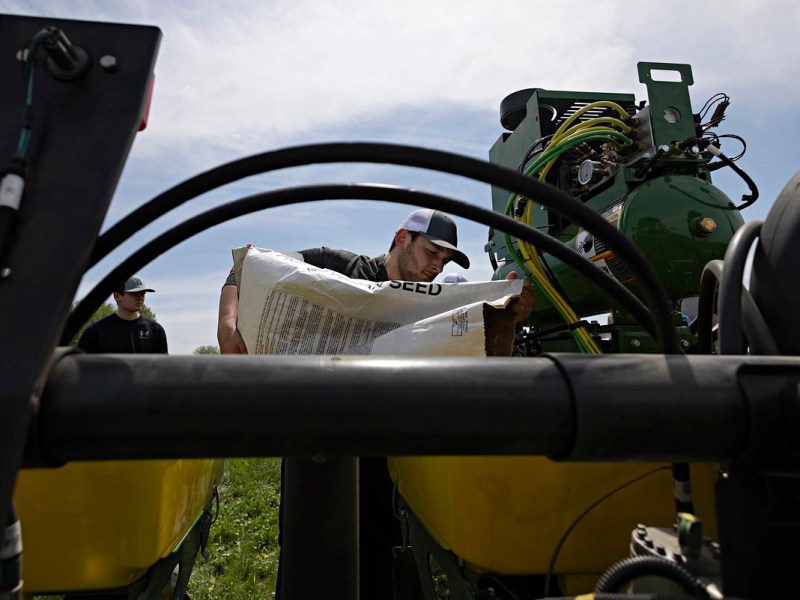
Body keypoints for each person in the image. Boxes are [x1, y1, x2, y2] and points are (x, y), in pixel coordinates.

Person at [216, 208, 533, 597]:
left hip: (392, 465)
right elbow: (246, 266)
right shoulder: (340, 265)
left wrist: (507, 316)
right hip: (319, 455)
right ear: (402, 238)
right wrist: (228, 323)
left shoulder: (436, 301)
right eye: (431, 253)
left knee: (382, 571)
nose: (437, 266)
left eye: (445, 260)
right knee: (309, 568)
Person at [77, 275, 168, 354]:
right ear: (117, 296)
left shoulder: (155, 330)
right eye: (134, 293)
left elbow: (163, 368)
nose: (140, 297)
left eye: (143, 293)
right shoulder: (95, 331)